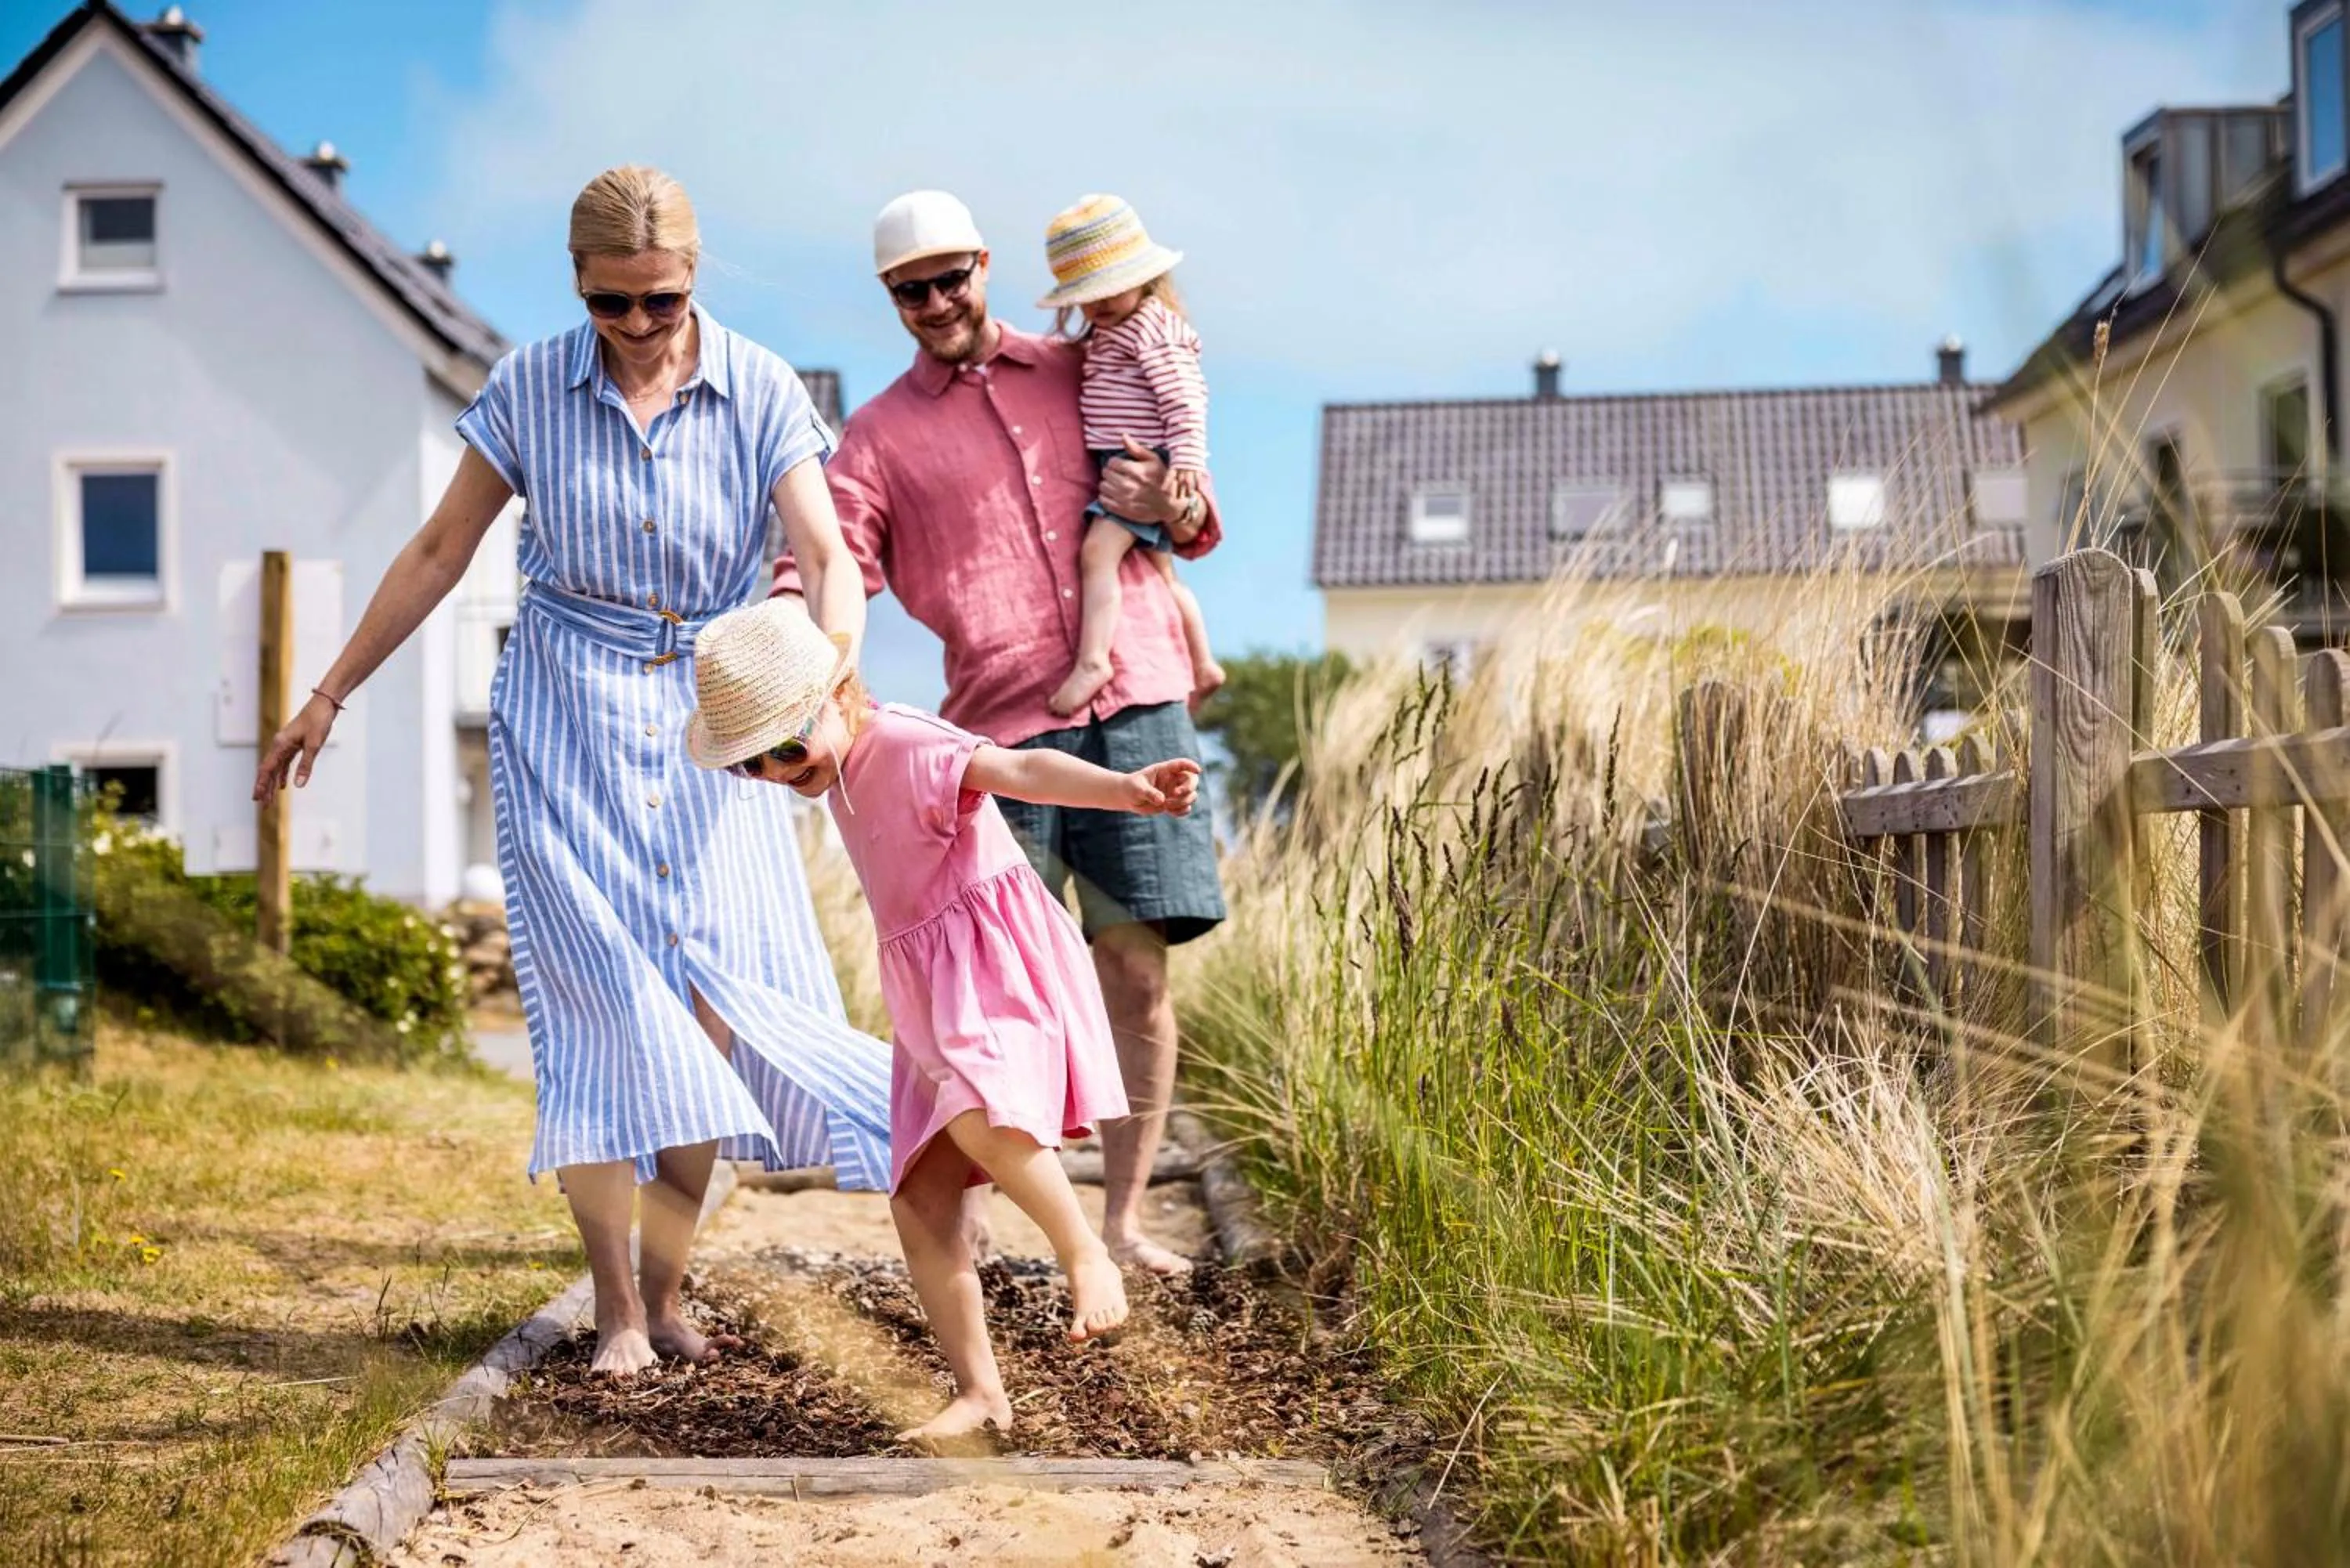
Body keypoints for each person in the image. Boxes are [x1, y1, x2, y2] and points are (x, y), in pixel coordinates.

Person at [255, 165, 895, 1376]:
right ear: (576, 283)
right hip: (566, 719)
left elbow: (826, 554)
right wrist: (329, 692)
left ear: (693, 278)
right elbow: (440, 549)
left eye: (662, 301)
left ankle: (667, 1291)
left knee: (706, 1011)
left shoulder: (760, 385)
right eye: (613, 303)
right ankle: (615, 1310)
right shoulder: (526, 388)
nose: (640, 326)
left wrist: (831, 679)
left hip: (719, 719)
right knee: (602, 1010)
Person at [773, 190, 1226, 1277]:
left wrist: (1171, 499)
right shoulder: (878, 436)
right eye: (909, 291)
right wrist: (778, 651)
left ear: (982, 266)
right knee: (984, 996)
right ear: (890, 298)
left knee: (1135, 971)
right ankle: (981, 1228)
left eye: (949, 278)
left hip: (1138, 693)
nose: (935, 302)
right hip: (996, 734)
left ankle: (1121, 1223)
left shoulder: (1083, 365)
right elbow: (829, 560)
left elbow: (1195, 519)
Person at [686, 598, 1202, 1441]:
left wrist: (1123, 792)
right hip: (928, 987)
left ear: (842, 694)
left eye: (786, 745)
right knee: (921, 1203)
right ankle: (979, 1392)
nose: (777, 770)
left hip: (990, 960)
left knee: (975, 1111)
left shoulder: (906, 741)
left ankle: (1085, 1250)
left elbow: (1022, 769)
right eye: (752, 762)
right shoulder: (836, 769)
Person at [1036, 194, 1222, 718]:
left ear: (1144, 279)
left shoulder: (1151, 329)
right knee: (1163, 575)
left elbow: (1185, 395)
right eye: (1087, 296)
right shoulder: (1114, 330)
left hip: (1138, 460)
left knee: (1097, 555)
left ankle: (1094, 660)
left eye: (1110, 288)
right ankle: (1203, 662)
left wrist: (1187, 457)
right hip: (1126, 458)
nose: (1098, 304)